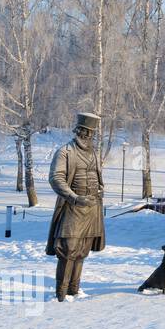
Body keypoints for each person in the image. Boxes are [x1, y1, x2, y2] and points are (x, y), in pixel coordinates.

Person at [44, 113, 106, 302]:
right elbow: (56, 178)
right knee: (67, 250)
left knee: (81, 252)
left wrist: (101, 189)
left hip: (92, 209)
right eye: (85, 131)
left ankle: (74, 291)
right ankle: (60, 294)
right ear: (78, 130)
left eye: (91, 133)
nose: (87, 135)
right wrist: (74, 197)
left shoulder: (95, 153)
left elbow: (97, 177)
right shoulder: (65, 152)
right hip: (72, 208)